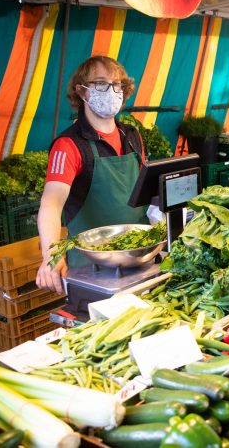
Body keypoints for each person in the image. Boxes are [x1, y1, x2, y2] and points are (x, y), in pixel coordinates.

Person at [36, 56, 147, 293]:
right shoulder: (69, 145)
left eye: (116, 84)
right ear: (82, 92)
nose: (111, 90)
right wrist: (51, 256)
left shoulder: (132, 135)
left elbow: (143, 189)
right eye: (100, 83)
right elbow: (51, 204)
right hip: (93, 270)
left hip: (140, 258)